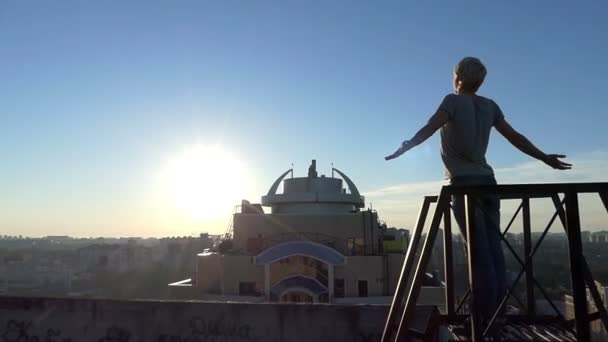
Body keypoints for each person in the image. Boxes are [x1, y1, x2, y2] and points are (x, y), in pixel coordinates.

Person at [385, 57, 571, 322]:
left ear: (457, 77)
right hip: (488, 183)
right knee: (493, 251)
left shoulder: (452, 101)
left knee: (477, 253)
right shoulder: (489, 106)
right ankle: (497, 312)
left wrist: (406, 146)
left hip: (463, 185)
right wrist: (544, 158)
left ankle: (483, 318)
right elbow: (516, 137)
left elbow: (430, 127)